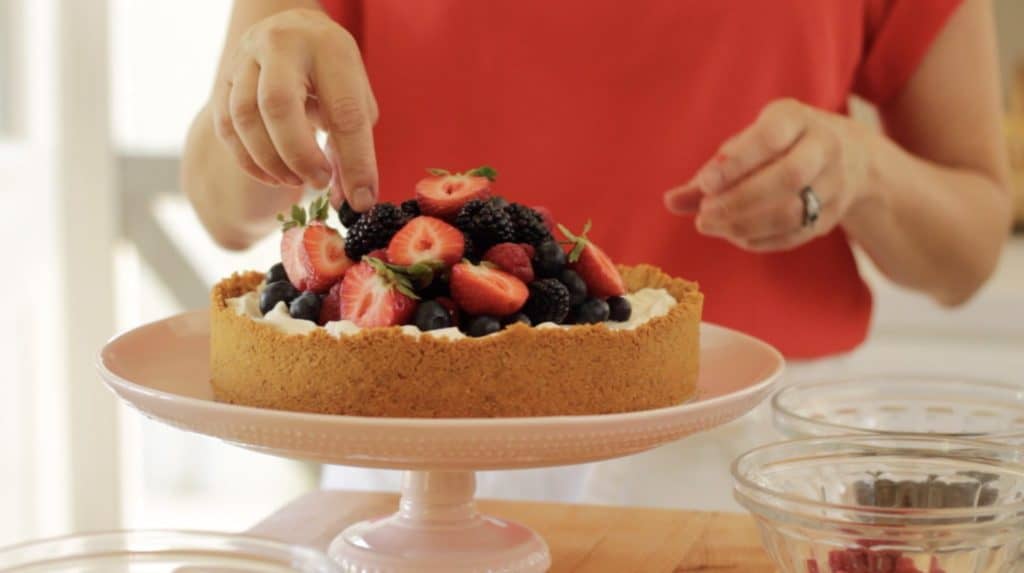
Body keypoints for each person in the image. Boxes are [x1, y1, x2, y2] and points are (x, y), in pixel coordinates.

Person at [182, 0, 1013, 510]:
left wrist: (861, 169)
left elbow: (969, 246)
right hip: (420, 452)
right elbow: (223, 205)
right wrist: (262, 98)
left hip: (749, 460)